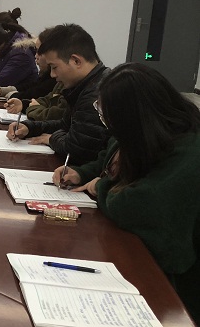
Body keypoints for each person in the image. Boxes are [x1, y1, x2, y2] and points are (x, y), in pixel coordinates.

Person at [52, 63, 200, 322]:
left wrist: (100, 186)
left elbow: (140, 204)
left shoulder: (190, 149)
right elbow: (110, 159)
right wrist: (82, 172)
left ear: (134, 116)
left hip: (179, 285)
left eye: (108, 116)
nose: (108, 125)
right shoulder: (146, 131)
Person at [7, 23, 110, 164]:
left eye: (54, 67)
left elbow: (77, 149)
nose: (52, 74)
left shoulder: (96, 95)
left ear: (76, 61)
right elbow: (65, 125)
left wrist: (51, 138)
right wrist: (30, 127)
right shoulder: (84, 85)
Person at [0, 27, 66, 120]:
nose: (35, 56)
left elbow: (53, 113)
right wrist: (23, 103)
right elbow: (42, 97)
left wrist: (15, 97)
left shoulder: (57, 79)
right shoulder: (50, 75)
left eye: (39, 52)